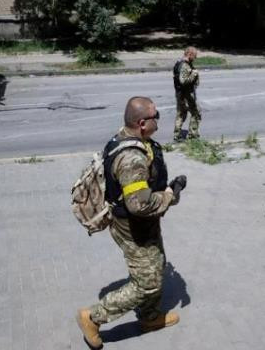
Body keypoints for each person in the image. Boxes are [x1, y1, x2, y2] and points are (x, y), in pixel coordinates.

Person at [77, 96, 182, 348]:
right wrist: (169, 195)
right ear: (142, 123)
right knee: (147, 283)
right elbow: (139, 205)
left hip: (143, 224)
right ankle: (92, 317)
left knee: (157, 264)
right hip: (134, 228)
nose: (159, 120)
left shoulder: (129, 138)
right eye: (156, 116)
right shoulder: (132, 158)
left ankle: (150, 317)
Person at [173, 46, 201, 141]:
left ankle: (177, 135)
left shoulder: (180, 62)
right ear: (189, 54)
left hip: (180, 93)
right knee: (196, 113)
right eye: (195, 55)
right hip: (186, 94)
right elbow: (183, 81)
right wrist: (194, 74)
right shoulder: (184, 65)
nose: (195, 58)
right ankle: (192, 135)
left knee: (181, 113)